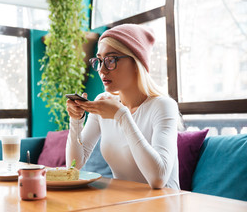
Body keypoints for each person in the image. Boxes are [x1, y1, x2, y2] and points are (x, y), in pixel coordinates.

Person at [66, 24, 180, 189]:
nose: (102, 70)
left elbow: (158, 179)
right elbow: (74, 165)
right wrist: (76, 121)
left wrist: (122, 116)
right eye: (99, 60)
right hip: (122, 203)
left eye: (111, 60)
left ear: (136, 63)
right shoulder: (104, 101)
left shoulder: (163, 106)